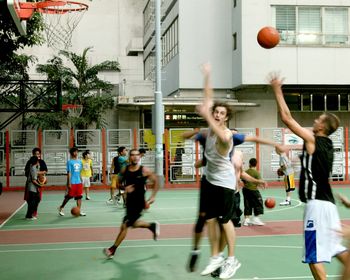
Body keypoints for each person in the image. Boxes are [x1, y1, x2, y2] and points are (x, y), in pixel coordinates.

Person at [269, 73, 348, 280]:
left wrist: (277, 89)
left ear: (322, 127)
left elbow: (287, 118)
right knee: (338, 250)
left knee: (313, 257)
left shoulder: (313, 140)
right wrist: (291, 151)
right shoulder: (328, 145)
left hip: (317, 206)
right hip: (329, 206)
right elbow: (308, 154)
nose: (314, 120)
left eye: (318, 119)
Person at [196, 63, 240, 279]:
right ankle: (215, 257)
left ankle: (232, 258)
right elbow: (208, 97)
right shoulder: (212, 128)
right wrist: (207, 75)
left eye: (221, 113)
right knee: (211, 219)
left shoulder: (226, 135)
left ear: (225, 118)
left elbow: (222, 138)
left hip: (224, 183)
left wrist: (207, 117)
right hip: (210, 180)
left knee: (225, 220)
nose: (217, 114)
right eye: (216, 112)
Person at [103, 149, 160, 259]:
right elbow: (118, 183)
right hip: (129, 202)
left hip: (139, 203)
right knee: (132, 224)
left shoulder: (144, 171)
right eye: (132, 155)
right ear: (130, 157)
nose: (134, 157)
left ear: (139, 157)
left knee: (125, 225)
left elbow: (156, 181)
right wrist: (124, 188)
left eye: (136, 155)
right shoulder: (125, 170)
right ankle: (152, 226)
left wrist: (153, 196)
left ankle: (112, 249)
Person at [58, 147, 86, 217]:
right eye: (74, 152)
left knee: (79, 197)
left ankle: (79, 210)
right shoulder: (69, 162)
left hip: (78, 182)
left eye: (77, 152)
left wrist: (81, 179)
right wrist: (69, 183)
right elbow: (69, 173)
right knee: (68, 196)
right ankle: (61, 208)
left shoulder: (80, 161)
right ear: (71, 153)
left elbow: (79, 172)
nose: (76, 153)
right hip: (72, 182)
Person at [24, 147, 48, 218]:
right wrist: (35, 173)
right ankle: (30, 213)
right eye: (35, 154)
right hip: (32, 183)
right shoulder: (30, 162)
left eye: (38, 154)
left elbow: (45, 171)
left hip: (38, 182)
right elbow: (26, 172)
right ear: (33, 154)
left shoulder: (42, 162)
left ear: (40, 154)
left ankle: (33, 212)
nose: (37, 155)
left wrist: (38, 174)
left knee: (37, 199)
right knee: (29, 199)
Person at [242, 158, 266, 226]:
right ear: (256, 164)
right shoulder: (256, 172)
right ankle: (256, 219)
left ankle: (247, 220)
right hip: (253, 190)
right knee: (259, 203)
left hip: (245, 189)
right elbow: (259, 181)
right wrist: (261, 185)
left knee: (247, 204)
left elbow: (243, 179)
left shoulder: (246, 171)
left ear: (249, 164)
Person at [25, 156, 42, 220]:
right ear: (36, 161)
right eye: (38, 161)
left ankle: (29, 214)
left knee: (36, 200)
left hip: (32, 187)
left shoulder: (32, 167)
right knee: (33, 202)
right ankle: (29, 216)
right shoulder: (34, 168)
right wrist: (39, 185)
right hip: (32, 188)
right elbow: (33, 180)